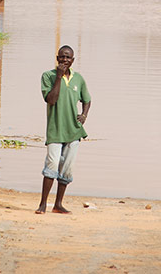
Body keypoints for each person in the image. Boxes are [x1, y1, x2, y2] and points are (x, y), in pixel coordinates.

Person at [35, 45, 91, 214]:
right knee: (51, 165)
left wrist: (84, 115)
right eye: (62, 57)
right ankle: (43, 204)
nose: (65, 60)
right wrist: (58, 78)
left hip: (73, 131)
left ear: (72, 60)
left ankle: (58, 204)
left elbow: (87, 99)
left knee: (67, 169)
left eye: (68, 58)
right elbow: (51, 100)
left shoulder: (78, 79)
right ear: (57, 58)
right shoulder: (48, 76)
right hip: (55, 130)